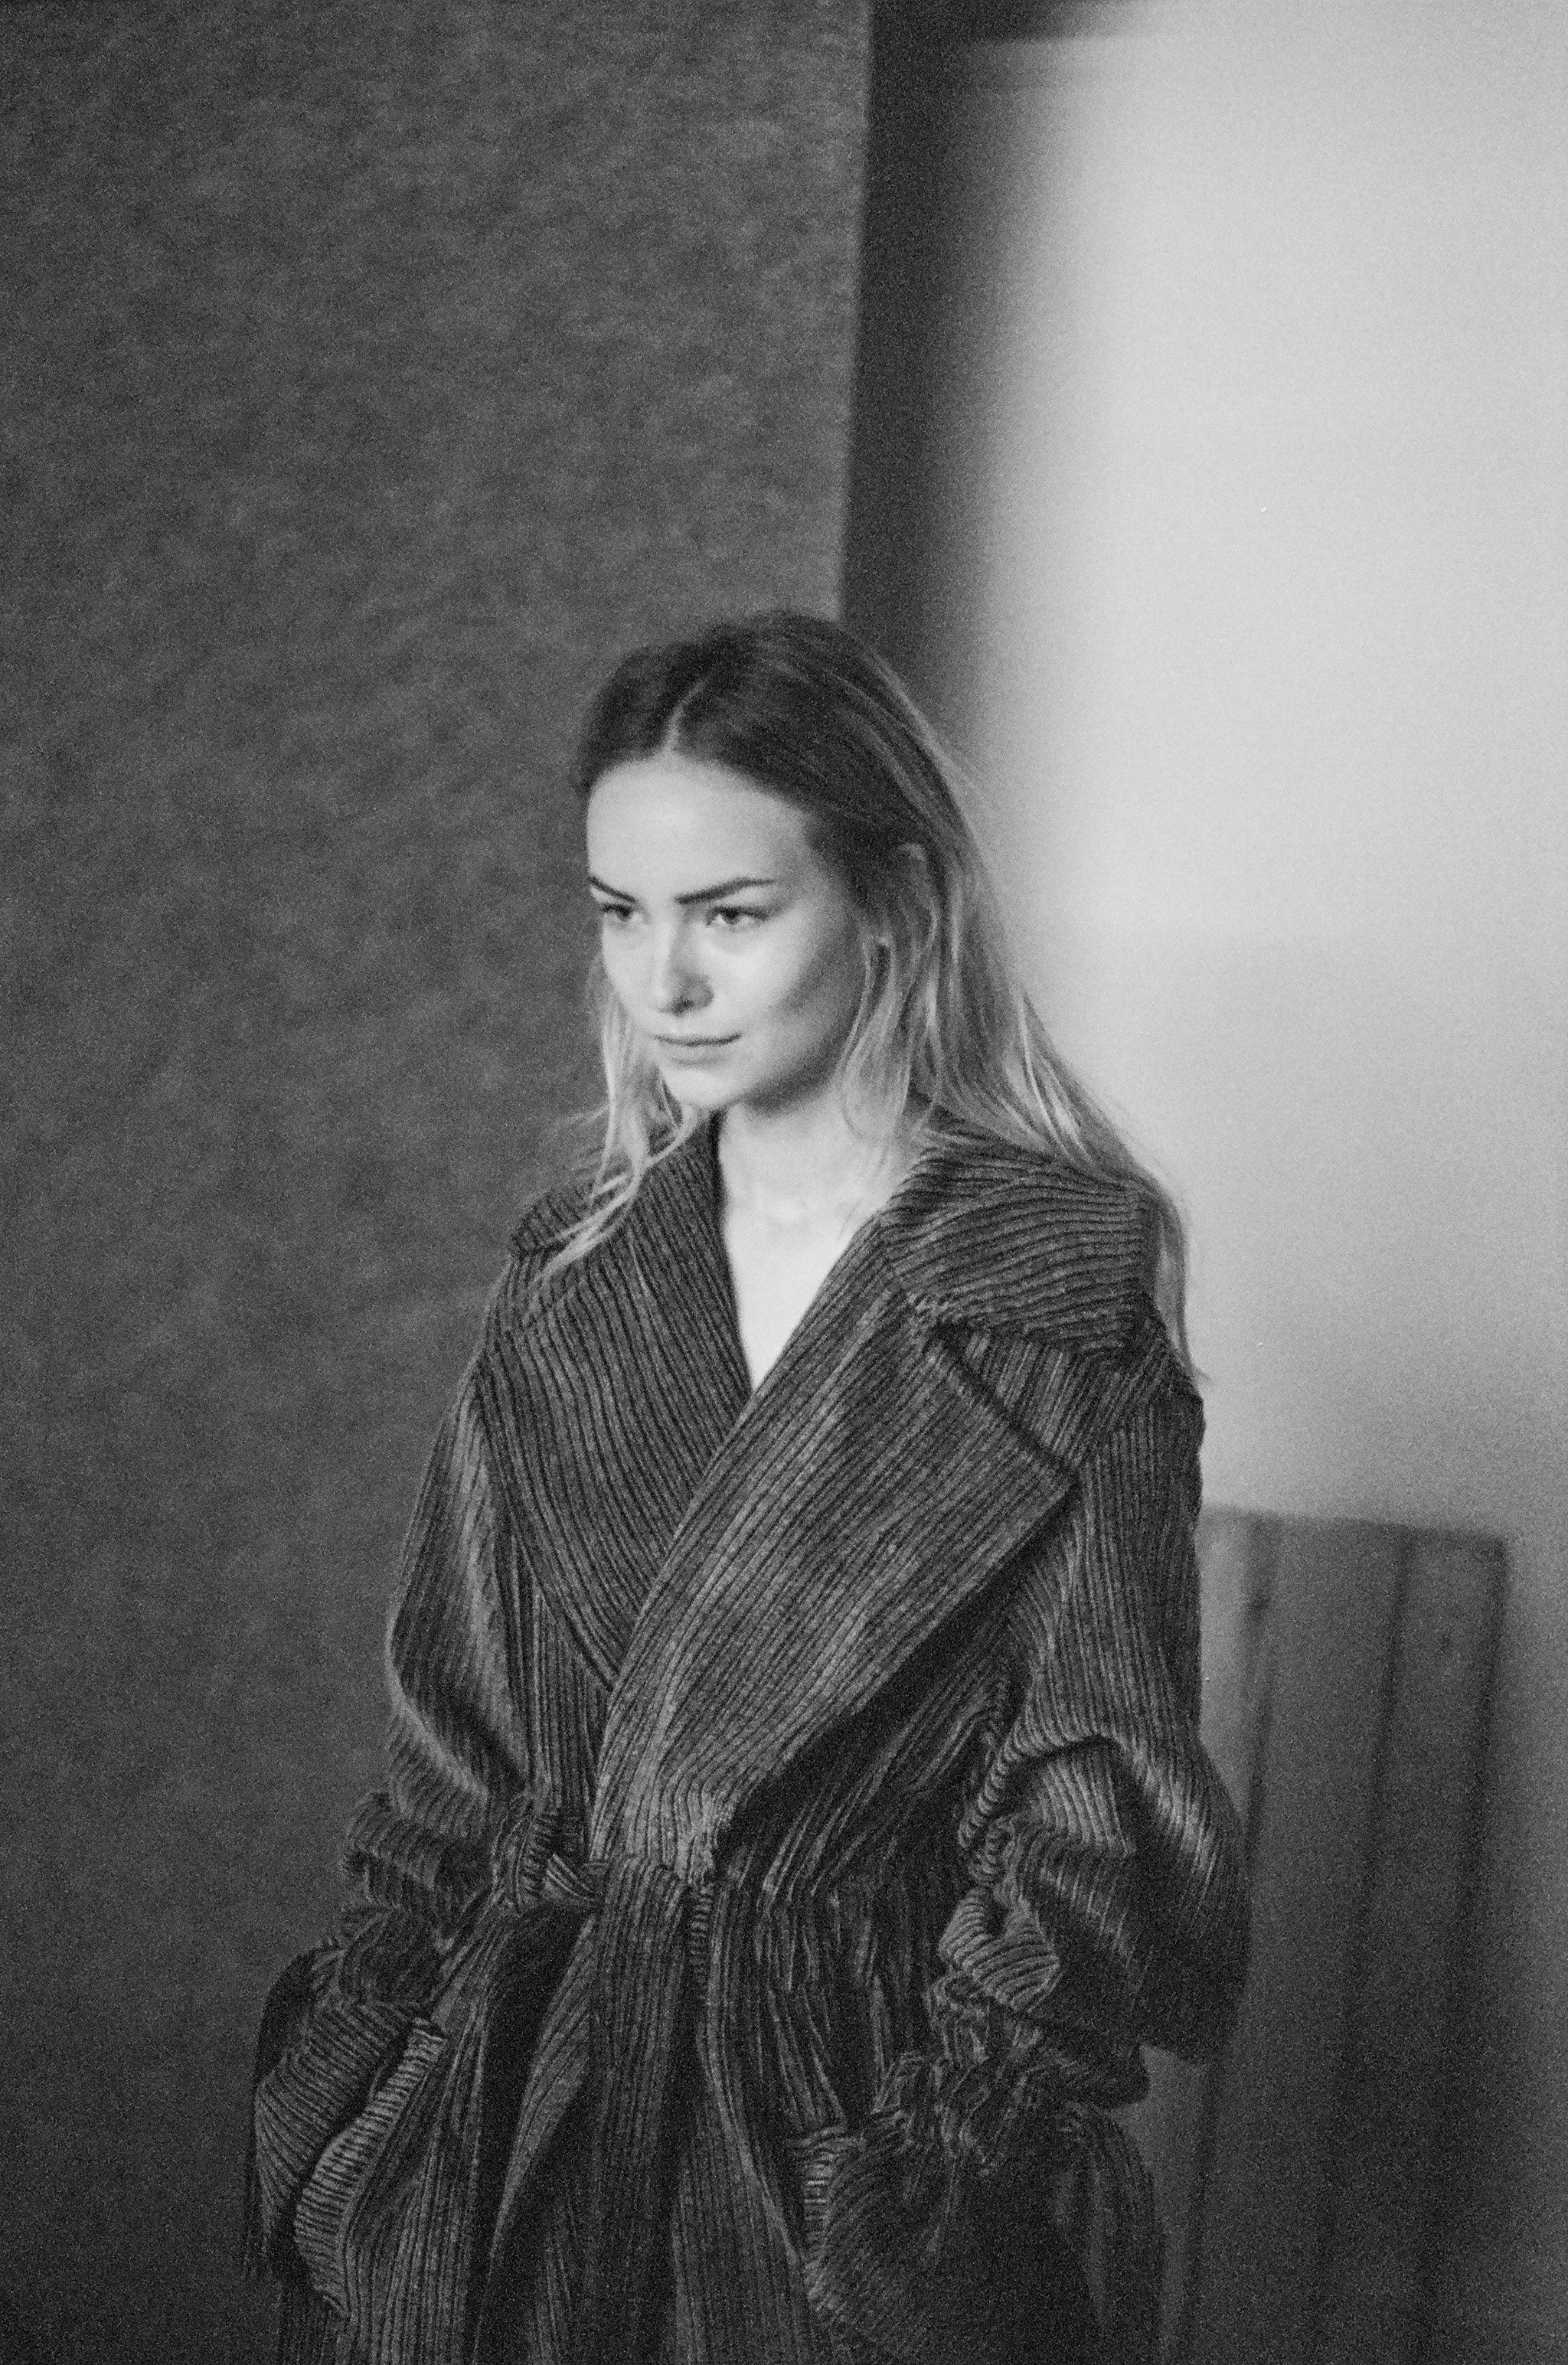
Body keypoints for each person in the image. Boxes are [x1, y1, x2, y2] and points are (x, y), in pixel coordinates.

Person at [246, 611, 1250, 2365]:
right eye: (619, 913)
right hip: (503, 2145)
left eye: (728, 913)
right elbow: (448, 1765)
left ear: (893, 899)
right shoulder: (572, 1276)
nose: (664, 984)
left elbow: (1096, 1810)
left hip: (839, 2156)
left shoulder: (1052, 1282)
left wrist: (934, 2181)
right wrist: (348, 2130)